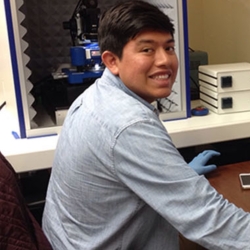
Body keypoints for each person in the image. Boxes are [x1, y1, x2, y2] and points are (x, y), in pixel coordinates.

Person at [42, 1, 250, 249]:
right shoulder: (128, 124)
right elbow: (211, 220)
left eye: (169, 47)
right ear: (111, 61)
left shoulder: (98, 95)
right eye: (147, 50)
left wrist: (176, 175)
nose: (165, 60)